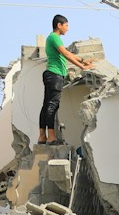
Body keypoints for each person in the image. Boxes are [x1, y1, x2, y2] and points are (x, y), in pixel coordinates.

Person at [38, 14, 94, 146]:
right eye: (66, 25)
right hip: (55, 75)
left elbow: (68, 53)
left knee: (46, 105)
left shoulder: (52, 38)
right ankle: (51, 137)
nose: (67, 29)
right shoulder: (54, 37)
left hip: (50, 74)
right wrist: (82, 67)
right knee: (52, 105)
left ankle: (42, 136)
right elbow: (66, 54)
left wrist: (83, 60)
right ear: (59, 25)